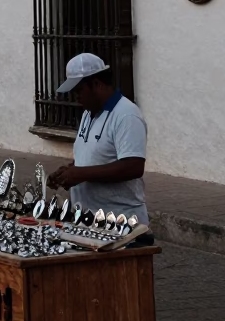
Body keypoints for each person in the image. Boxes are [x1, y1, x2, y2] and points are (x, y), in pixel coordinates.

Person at [47, 53, 150, 238]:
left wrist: (80, 174)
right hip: (89, 220)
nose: (76, 97)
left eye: (79, 91)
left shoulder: (126, 115)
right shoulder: (88, 113)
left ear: (96, 84)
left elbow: (133, 166)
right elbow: (95, 155)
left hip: (121, 223)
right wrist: (68, 171)